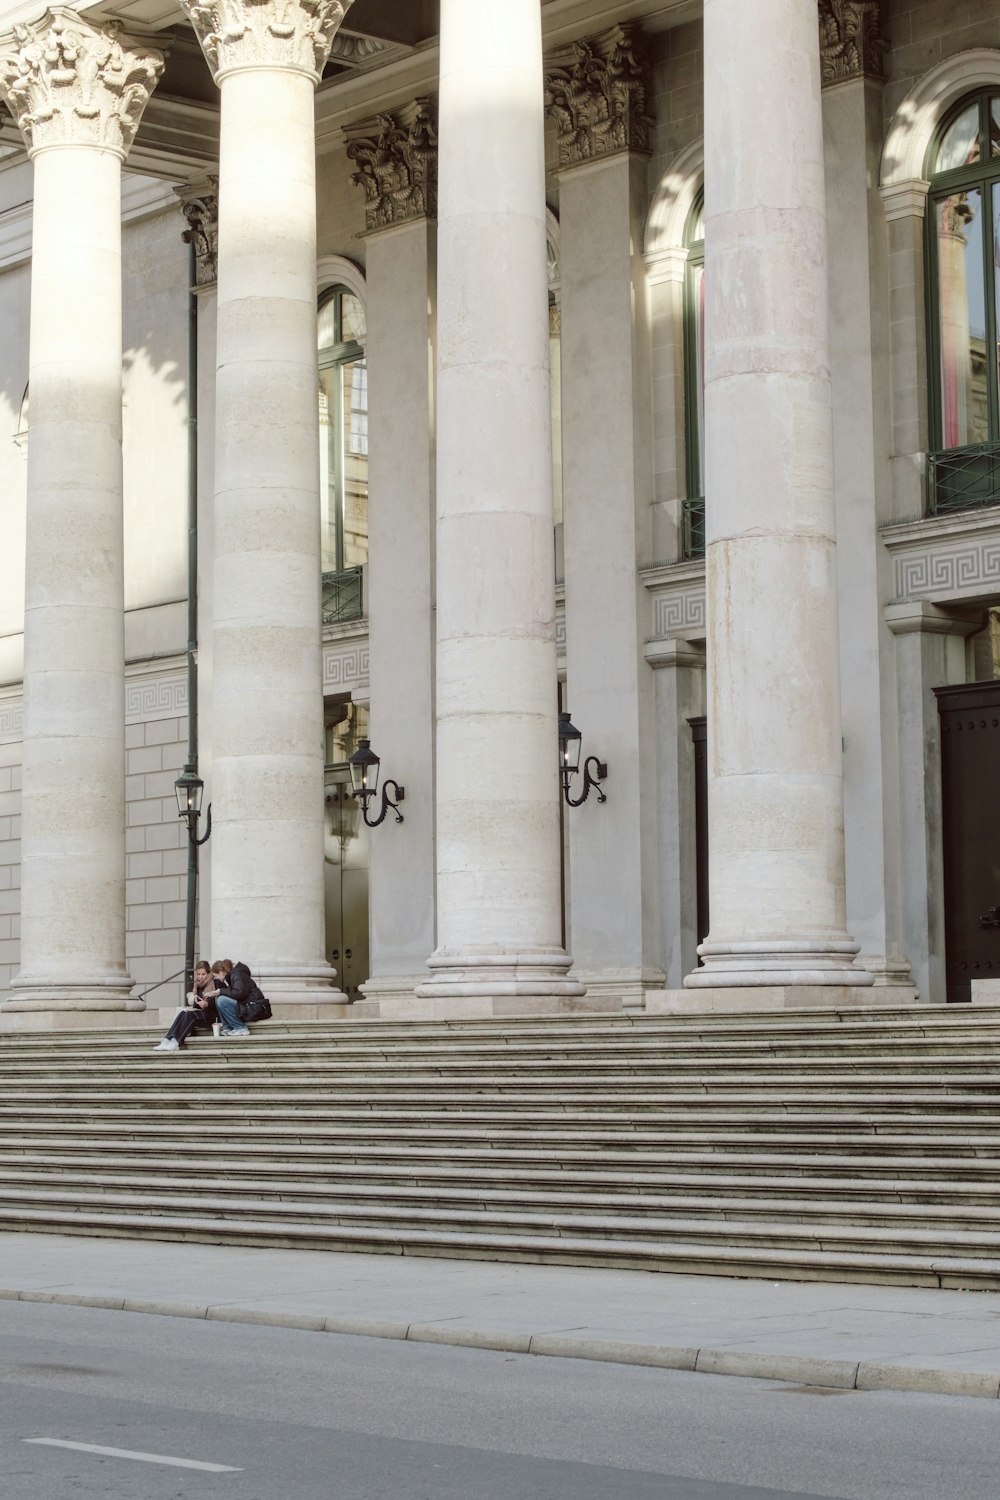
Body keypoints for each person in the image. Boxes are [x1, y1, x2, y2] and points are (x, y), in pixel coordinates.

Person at [153, 960, 218, 1053]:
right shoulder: (197, 985)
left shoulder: (214, 983)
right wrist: (197, 1001)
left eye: (203, 974)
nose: (200, 977)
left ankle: (176, 1042)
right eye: (198, 974)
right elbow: (197, 1004)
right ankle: (168, 1039)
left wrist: (206, 1004)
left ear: (208, 973)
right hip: (201, 1012)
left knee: (189, 1015)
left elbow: (216, 1003)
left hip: (211, 1015)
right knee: (183, 1013)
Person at [210, 958, 270, 1037]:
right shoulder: (233, 975)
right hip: (248, 1005)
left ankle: (240, 1027)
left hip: (253, 1006)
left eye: (216, 976)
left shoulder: (237, 974)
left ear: (220, 972)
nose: (216, 978)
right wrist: (219, 992)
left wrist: (221, 991)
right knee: (219, 998)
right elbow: (235, 992)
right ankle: (227, 1027)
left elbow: (239, 993)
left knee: (221, 1000)